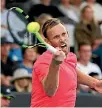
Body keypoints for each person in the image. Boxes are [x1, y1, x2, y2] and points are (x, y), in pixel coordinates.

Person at [31, 18, 102, 107]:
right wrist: (55, 63)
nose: (62, 39)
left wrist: (95, 83)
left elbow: (72, 72)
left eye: (64, 34)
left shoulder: (70, 57)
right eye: (56, 37)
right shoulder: (43, 62)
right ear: (48, 42)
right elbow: (49, 91)